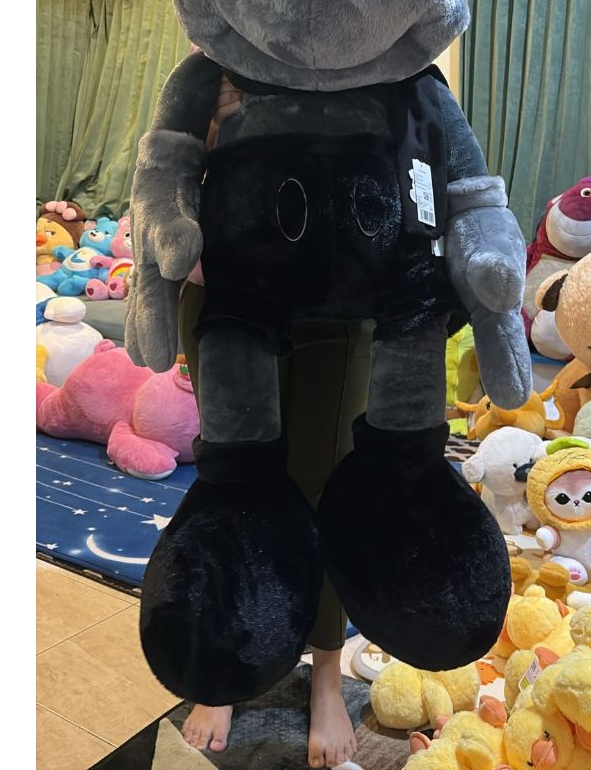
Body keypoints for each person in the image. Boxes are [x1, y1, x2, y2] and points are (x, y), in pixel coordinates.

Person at [176, 60, 371, 768]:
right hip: (225, 281)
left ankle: (325, 672)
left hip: (336, 287)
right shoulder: (217, 52)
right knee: (234, 483)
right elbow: (169, 159)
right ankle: (226, 663)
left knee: (326, 483)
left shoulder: (368, 45)